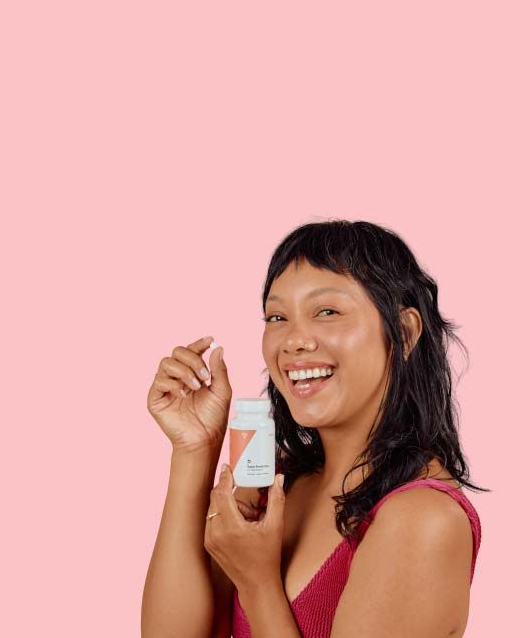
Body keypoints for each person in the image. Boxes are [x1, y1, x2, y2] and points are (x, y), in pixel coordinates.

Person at [141, 219, 488, 638]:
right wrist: (194, 450)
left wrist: (256, 582)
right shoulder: (280, 484)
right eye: (277, 316)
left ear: (405, 331)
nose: (293, 340)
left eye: (327, 312)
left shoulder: (423, 521)